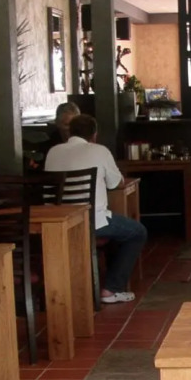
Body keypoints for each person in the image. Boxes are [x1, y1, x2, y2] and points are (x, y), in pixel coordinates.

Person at [45, 114, 147, 304]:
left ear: (69, 132)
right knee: (137, 232)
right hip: (93, 221)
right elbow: (116, 182)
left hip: (58, 221)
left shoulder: (53, 152)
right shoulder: (99, 151)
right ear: (94, 135)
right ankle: (111, 288)